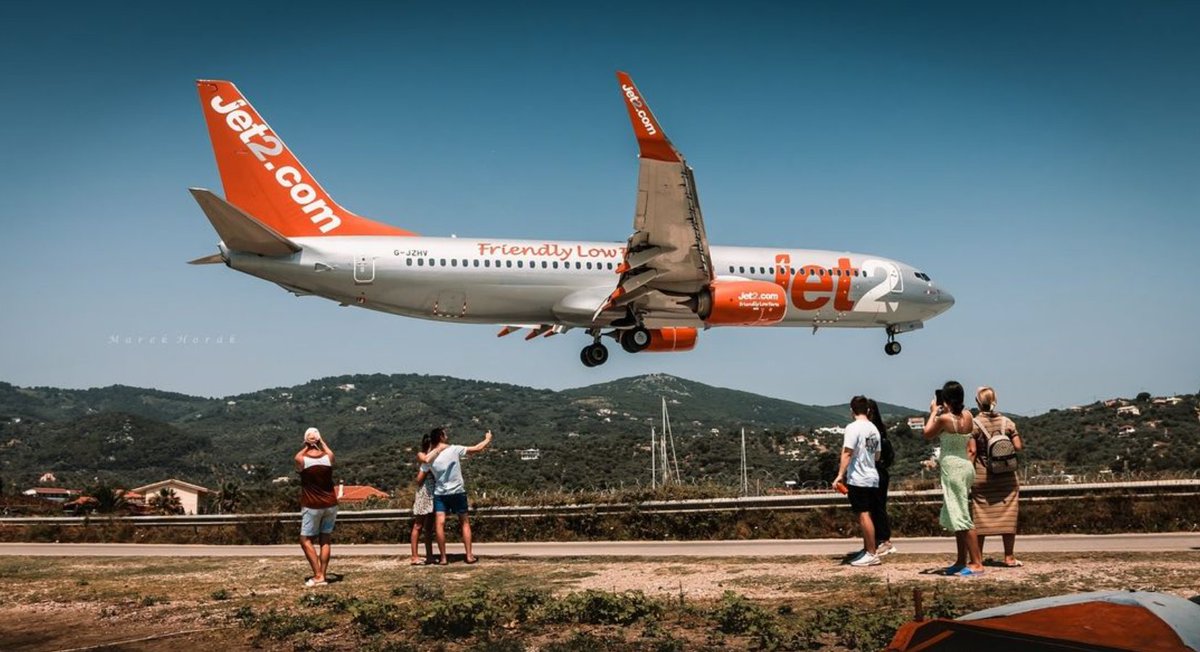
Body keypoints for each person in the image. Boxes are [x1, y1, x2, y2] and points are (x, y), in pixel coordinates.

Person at [923, 381, 984, 576]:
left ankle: (976, 562)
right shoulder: (968, 416)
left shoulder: (943, 419)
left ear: (946, 399)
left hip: (952, 468)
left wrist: (933, 411)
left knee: (963, 516)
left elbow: (927, 433)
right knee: (958, 511)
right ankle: (961, 560)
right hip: (965, 465)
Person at [970, 386, 1024, 567]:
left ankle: (977, 558)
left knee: (980, 517)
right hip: (1006, 476)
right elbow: (1017, 447)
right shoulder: (1007, 422)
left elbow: (972, 451)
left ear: (978, 402)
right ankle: (1009, 557)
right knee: (1009, 516)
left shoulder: (974, 424)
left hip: (982, 477)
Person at [429, 426, 493, 565]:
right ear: (441, 436)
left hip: (440, 493)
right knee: (464, 522)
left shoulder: (430, 455)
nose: (447, 436)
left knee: (440, 524)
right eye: (445, 434)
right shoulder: (454, 449)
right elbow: (477, 448)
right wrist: (487, 439)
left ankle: (443, 558)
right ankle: (469, 556)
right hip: (457, 492)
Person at [832, 396, 883, 567]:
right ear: (868, 410)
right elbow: (877, 455)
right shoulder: (874, 429)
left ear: (851, 410)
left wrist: (840, 474)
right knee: (869, 514)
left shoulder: (852, 428)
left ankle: (871, 552)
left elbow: (847, 452)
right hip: (872, 475)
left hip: (858, 476)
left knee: (863, 515)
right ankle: (868, 548)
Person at [295, 427, 337, 586]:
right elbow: (330, 453)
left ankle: (318, 575)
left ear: (306, 441)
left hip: (312, 505)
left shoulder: (302, 459)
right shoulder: (328, 457)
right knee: (325, 538)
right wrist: (321, 442)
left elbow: (297, 457)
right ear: (319, 440)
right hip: (331, 504)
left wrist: (307, 445)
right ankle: (323, 575)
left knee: (305, 540)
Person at [410, 431, 448, 565]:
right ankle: (414, 556)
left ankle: (429, 555)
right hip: (424, 494)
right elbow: (419, 480)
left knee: (429, 527)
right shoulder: (424, 456)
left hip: (433, 493)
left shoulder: (435, 457)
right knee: (418, 525)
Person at [867, 399, 896, 556]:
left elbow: (871, 453)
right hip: (881, 470)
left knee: (877, 507)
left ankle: (884, 540)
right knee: (878, 506)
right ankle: (881, 539)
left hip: (875, 470)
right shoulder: (880, 429)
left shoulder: (872, 431)